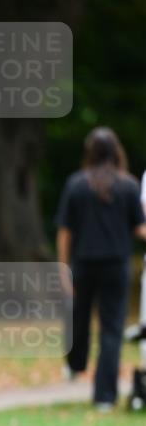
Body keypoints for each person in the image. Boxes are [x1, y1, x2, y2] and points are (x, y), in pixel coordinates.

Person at [56, 127, 146, 409]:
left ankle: (75, 363)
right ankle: (104, 397)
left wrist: (62, 266)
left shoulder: (76, 184)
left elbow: (65, 231)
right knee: (111, 329)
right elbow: (141, 228)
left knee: (78, 319)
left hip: (84, 264)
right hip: (116, 266)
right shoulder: (128, 186)